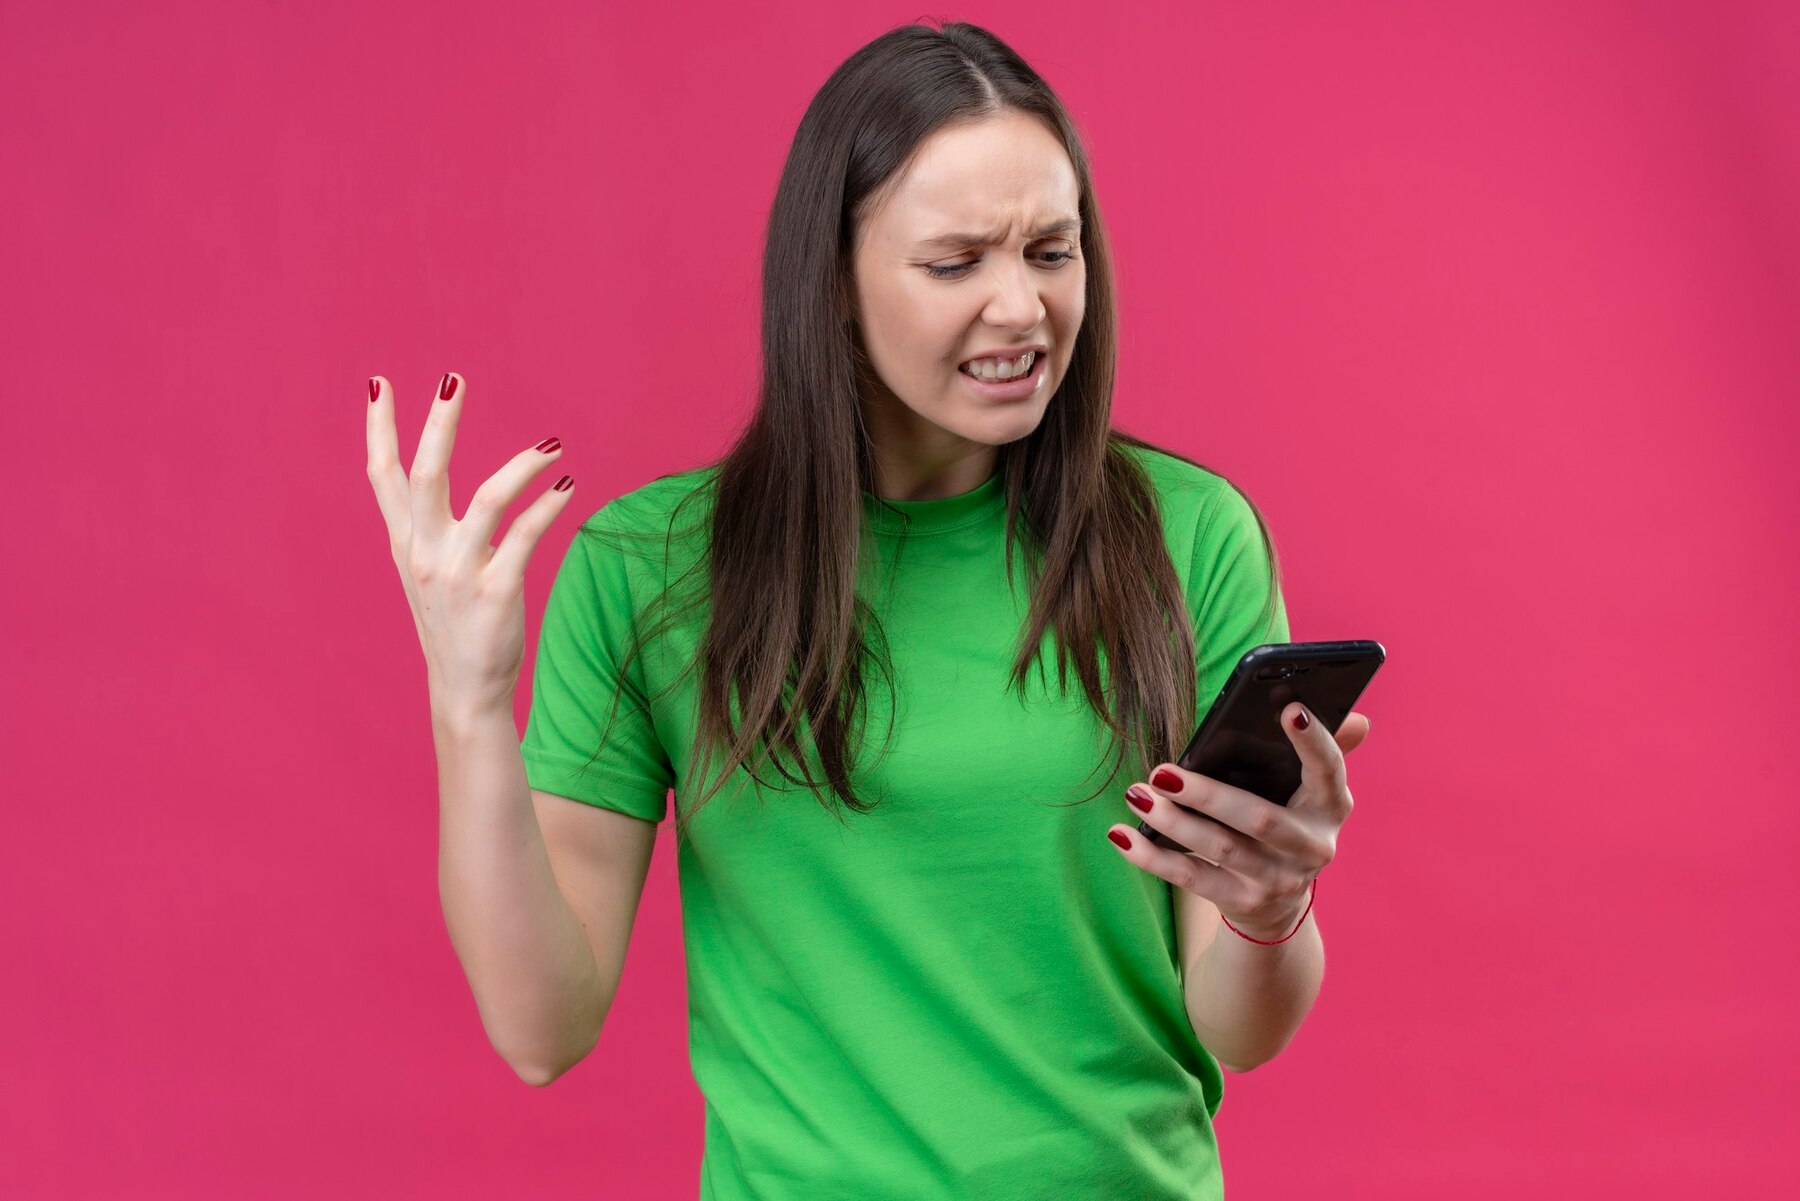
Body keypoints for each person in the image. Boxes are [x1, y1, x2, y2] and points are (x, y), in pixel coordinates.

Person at [366, 19, 1370, 1200]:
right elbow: (543, 1027)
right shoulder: (648, 569)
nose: (1022, 309)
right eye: (956, 264)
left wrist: (1272, 899)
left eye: (1054, 250)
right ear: (831, 284)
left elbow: (1242, 1031)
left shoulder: (1188, 538)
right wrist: (470, 701)